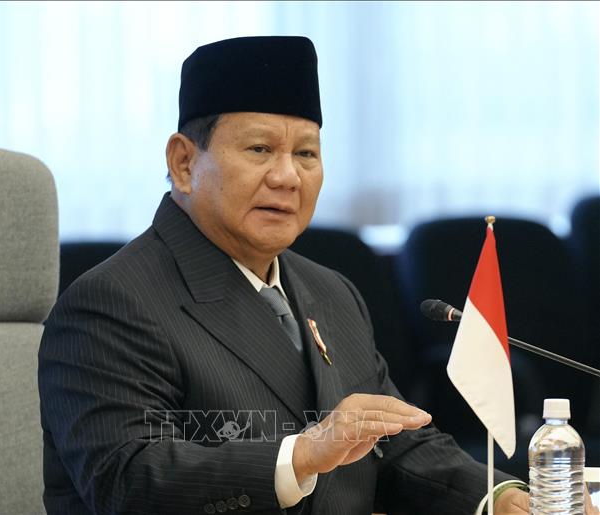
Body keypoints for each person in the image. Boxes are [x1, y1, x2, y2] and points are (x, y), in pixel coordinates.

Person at [39, 36, 532, 515]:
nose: (287, 177)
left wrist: (496, 499)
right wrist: (301, 455)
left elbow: (393, 442)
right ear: (184, 163)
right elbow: (127, 480)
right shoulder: (111, 302)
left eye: (306, 154)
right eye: (259, 149)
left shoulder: (332, 291)